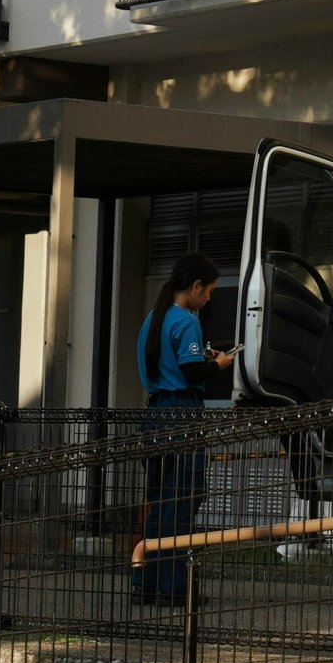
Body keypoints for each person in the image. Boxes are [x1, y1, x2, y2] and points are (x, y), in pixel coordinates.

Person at [131, 254, 233, 608]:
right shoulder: (187, 322)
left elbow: (173, 365)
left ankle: (145, 582)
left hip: (155, 412)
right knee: (184, 500)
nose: (208, 300)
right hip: (183, 414)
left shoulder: (152, 319)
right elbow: (191, 373)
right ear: (195, 287)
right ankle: (174, 589)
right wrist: (218, 364)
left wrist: (203, 361)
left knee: (159, 503)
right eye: (209, 292)